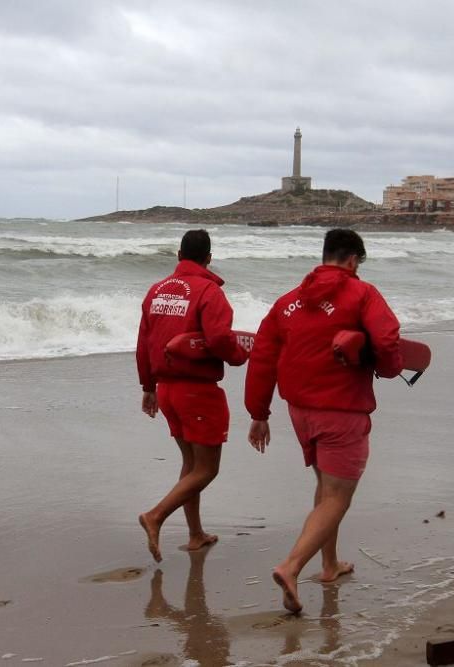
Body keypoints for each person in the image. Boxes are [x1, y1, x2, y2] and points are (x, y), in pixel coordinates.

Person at [244, 228, 403, 613]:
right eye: (358, 264)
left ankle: (329, 565)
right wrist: (389, 367)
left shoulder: (287, 303)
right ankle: (291, 566)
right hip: (341, 411)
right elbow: (387, 340)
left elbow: (263, 357)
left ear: (325, 255)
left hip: (300, 411)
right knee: (337, 497)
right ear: (352, 260)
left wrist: (258, 413)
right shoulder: (362, 293)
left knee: (324, 487)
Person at [136, 229, 248, 562]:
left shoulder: (156, 291)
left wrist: (148, 387)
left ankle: (196, 534)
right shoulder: (208, 291)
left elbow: (143, 342)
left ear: (179, 255)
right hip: (196, 391)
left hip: (167, 390)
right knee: (206, 469)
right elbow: (219, 339)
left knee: (190, 463)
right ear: (209, 258)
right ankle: (155, 516)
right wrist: (241, 356)